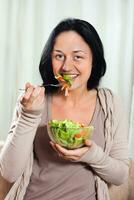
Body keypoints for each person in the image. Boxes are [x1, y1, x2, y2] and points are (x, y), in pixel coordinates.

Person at [0, 18, 129, 200]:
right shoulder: (34, 101)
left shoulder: (110, 103)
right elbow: (9, 172)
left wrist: (91, 155)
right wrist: (29, 115)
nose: (66, 67)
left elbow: (121, 176)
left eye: (78, 56)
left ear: (94, 59)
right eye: (59, 56)